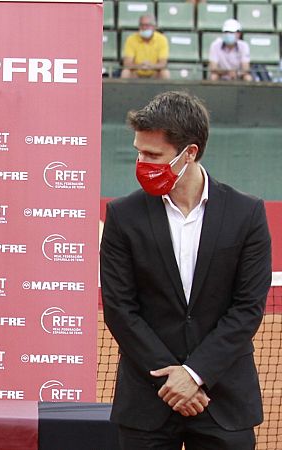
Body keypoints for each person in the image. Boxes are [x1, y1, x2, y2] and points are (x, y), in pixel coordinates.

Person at [101, 91, 271, 449]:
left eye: (152, 155)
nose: (141, 161)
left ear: (189, 153)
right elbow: (120, 308)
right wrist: (172, 380)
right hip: (147, 403)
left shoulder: (247, 214)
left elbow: (247, 309)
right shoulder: (122, 216)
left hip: (223, 400)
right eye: (138, 151)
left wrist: (195, 375)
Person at [120, 15, 170, 79]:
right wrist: (140, 66)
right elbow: (127, 63)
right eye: (141, 25)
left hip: (154, 73)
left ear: (154, 27)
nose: (144, 27)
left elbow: (163, 63)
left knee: (165, 72)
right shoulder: (131, 39)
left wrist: (150, 66)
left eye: (147, 25)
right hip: (136, 72)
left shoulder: (162, 39)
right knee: (125, 72)